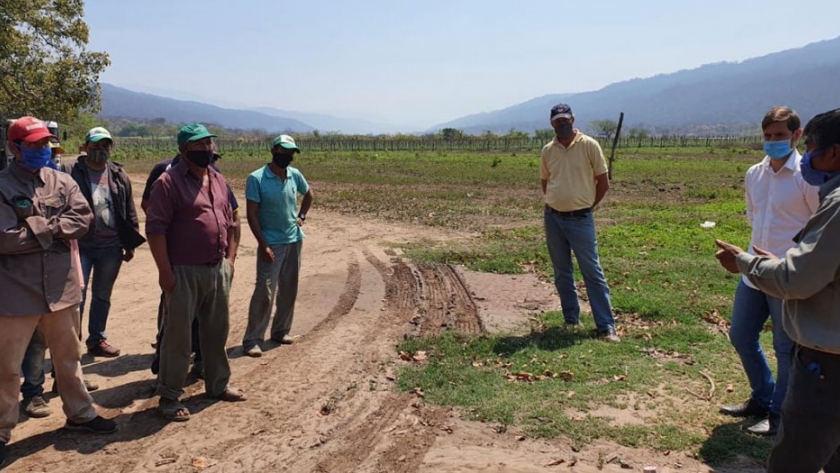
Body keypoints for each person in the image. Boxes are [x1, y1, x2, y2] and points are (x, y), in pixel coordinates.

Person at [714, 108, 840, 472]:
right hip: (760, 270)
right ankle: (763, 396)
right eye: (767, 136)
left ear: (797, 136)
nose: (773, 142)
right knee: (741, 335)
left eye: (779, 135)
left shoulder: (810, 181)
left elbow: (817, 237)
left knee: (788, 348)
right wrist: (755, 262)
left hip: (792, 278)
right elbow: (756, 217)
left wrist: (774, 264)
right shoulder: (754, 174)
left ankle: (777, 414)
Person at [0, 117, 116, 467]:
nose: (42, 150)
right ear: (13, 147)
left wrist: (34, 224)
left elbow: (82, 220)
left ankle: (80, 412)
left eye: (45, 144)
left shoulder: (63, 181)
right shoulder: (2, 186)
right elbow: (4, 238)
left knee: (68, 358)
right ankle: (2, 429)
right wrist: (54, 230)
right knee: (6, 367)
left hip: (62, 290)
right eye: (34, 144)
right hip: (16, 292)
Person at [145, 123, 244, 422]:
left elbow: (233, 223)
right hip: (183, 271)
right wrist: (165, 272)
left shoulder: (217, 179)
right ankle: (170, 396)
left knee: (216, 332)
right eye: (198, 146)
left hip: (217, 269)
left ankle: (218, 384)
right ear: (183, 149)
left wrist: (231, 260)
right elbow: (155, 230)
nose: (206, 150)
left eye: (208, 144)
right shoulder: (167, 183)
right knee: (178, 338)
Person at [63, 126, 146, 357]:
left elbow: (128, 209)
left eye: (105, 146)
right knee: (76, 296)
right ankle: (71, 347)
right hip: (81, 246)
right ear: (85, 147)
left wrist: (130, 242)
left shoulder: (118, 174)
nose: (101, 150)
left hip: (111, 247)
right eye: (96, 146)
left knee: (102, 295)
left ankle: (97, 339)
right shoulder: (71, 171)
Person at [540, 103, 619, 342]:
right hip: (553, 218)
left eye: (565, 119)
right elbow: (546, 182)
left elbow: (603, 183)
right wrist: (558, 202)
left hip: (581, 218)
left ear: (573, 119)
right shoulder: (548, 150)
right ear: (552, 123)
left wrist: (585, 206)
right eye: (557, 121)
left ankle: (606, 326)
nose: (562, 124)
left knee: (592, 272)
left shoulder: (589, 146)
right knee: (562, 272)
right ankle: (571, 320)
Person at [242, 135, 313, 357]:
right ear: (273, 151)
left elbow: (309, 194)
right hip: (271, 243)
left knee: (289, 288)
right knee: (265, 291)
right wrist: (262, 244)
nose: (287, 156)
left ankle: (281, 331)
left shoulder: (294, 175)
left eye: (290, 153)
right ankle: (252, 339)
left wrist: (301, 215)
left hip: (293, 240)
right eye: (283, 152)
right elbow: (251, 214)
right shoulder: (256, 178)